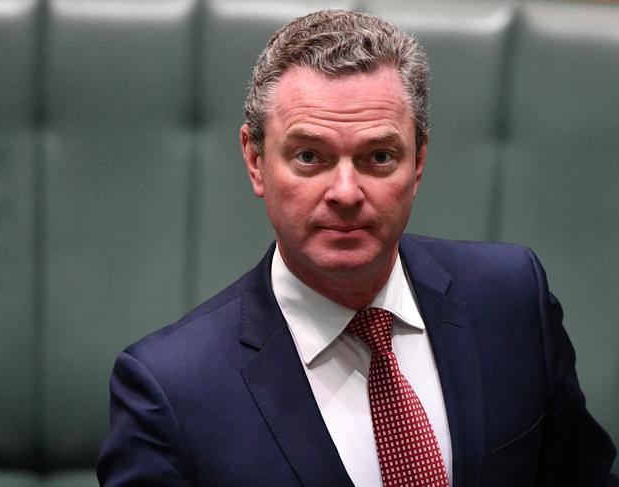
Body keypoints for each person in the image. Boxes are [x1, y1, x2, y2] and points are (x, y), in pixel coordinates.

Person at [97, 9, 617, 487]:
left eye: (379, 157)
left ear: (419, 161)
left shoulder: (512, 301)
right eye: (308, 155)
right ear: (255, 160)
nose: (346, 193)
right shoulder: (169, 390)